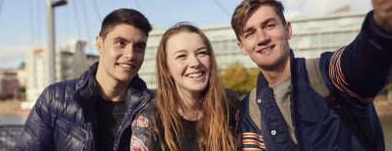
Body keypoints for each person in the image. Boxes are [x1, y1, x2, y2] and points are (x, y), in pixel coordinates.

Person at [232, 0, 392, 150]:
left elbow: (366, 60)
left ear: (288, 29)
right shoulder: (250, 109)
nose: (262, 38)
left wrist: (385, 23)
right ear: (242, 47)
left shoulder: (328, 74)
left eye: (269, 25)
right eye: (250, 33)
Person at [15, 8, 153, 150]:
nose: (130, 55)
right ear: (99, 44)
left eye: (139, 47)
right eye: (120, 43)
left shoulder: (155, 107)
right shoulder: (55, 99)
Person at [130, 22, 239, 151]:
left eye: (201, 53)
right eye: (182, 56)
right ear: (166, 68)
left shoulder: (229, 104)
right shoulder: (150, 118)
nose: (195, 63)